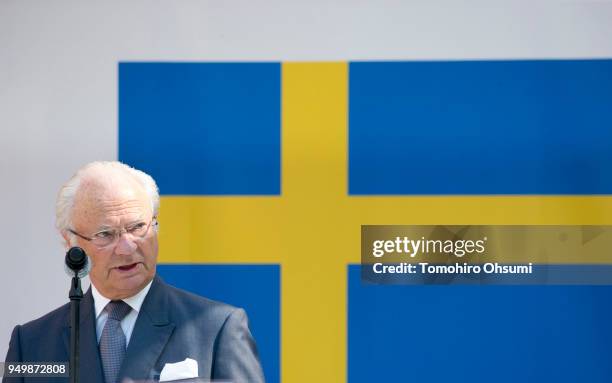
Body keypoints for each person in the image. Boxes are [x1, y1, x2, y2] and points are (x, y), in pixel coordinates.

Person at [3, 161, 265, 383]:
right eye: (105, 234)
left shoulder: (217, 329)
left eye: (138, 227)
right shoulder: (31, 344)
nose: (127, 248)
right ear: (70, 242)